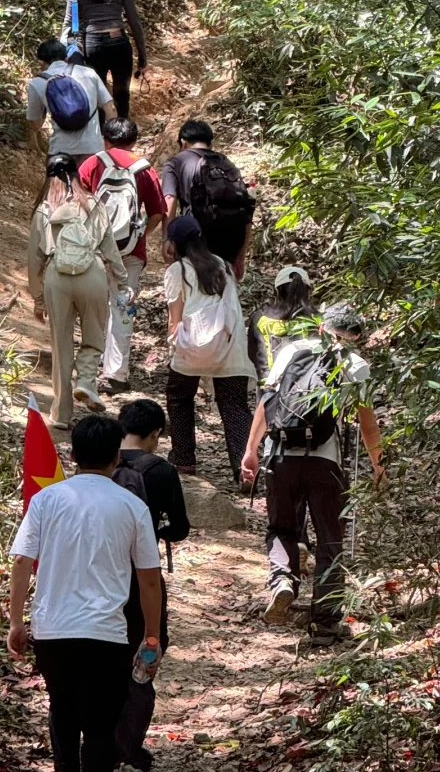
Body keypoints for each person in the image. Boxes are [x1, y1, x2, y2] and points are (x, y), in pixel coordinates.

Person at [8, 414, 163, 772]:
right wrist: (151, 635)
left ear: (72, 454)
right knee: (98, 724)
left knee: (63, 709)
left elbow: (22, 561)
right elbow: (149, 577)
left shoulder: (46, 500)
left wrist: (16, 621)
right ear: (117, 457)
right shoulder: (132, 506)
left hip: (53, 630)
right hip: (106, 633)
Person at [240, 301, 384, 645]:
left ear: (321, 328)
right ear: (357, 336)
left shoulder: (293, 350)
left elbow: (267, 402)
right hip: (325, 461)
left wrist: (251, 451)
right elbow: (367, 423)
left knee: (281, 527)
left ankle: (283, 581)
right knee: (330, 540)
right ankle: (324, 623)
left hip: (280, 454)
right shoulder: (357, 364)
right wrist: (380, 465)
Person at [113, 399, 191, 772]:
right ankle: (130, 760)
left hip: (97, 580)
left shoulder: (99, 464)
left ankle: (100, 753)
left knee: (102, 668)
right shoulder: (160, 470)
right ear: (156, 434)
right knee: (141, 665)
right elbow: (179, 529)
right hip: (142, 581)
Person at [28, 154, 133, 426]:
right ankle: (86, 380)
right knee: (94, 336)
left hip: (57, 277)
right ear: (76, 175)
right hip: (93, 274)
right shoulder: (94, 204)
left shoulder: (44, 209)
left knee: (61, 346)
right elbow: (110, 248)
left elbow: (34, 259)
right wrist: (123, 281)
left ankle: (61, 414)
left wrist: (38, 299)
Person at [78, 119, 167, 395]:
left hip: (95, 250)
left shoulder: (92, 163)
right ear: (134, 140)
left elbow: (77, 203)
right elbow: (157, 211)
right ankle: (116, 374)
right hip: (130, 253)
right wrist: (140, 235)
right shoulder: (144, 169)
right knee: (122, 309)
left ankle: (88, 373)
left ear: (105, 139)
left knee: (94, 309)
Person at [163, 215, 254, 479]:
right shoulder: (224, 266)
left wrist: (174, 347)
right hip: (230, 347)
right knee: (235, 406)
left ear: (174, 243)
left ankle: (184, 458)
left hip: (193, 349)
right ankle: (244, 467)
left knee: (179, 397)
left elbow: (174, 320)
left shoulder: (177, 271)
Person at [161, 119, 255, 279]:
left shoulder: (175, 162)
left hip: (196, 237)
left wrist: (167, 238)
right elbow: (246, 208)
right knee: (225, 286)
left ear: (183, 143)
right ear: (210, 144)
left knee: (194, 286)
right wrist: (241, 257)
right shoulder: (226, 163)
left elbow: (169, 199)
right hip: (231, 236)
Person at [65, 0, 147, 119]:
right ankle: (122, 135)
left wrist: (65, 55)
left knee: (98, 95)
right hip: (119, 43)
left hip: (92, 45)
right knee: (122, 95)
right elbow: (134, 22)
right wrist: (142, 56)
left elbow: (68, 24)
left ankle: (102, 138)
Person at [27, 38, 114, 165]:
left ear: (41, 62)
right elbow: (110, 107)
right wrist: (111, 141)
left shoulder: (37, 83)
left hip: (61, 150)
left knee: (55, 185)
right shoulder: (88, 73)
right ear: (66, 58)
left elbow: (35, 124)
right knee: (94, 184)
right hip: (94, 148)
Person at [248, 265, 319, 383]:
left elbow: (252, 353)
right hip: (306, 384)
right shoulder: (316, 319)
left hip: (268, 384)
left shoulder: (260, 318)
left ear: (277, 291)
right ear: (308, 292)